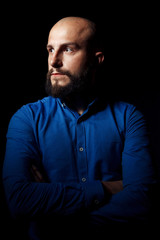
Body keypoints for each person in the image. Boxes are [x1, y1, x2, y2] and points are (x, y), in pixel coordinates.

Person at [2, 16, 156, 239]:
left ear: (97, 59)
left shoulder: (128, 117)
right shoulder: (27, 118)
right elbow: (19, 200)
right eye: (50, 49)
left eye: (68, 50)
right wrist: (107, 188)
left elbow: (143, 200)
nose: (54, 61)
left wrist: (56, 218)